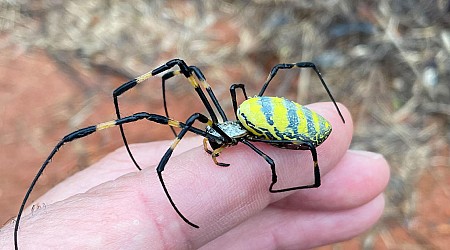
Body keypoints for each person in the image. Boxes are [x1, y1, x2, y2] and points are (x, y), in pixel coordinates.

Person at [0, 103, 389, 249]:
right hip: (264, 120)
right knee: (149, 114)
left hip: (292, 131)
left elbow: (275, 169)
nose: (211, 140)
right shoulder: (224, 127)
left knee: (272, 166)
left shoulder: (254, 145)